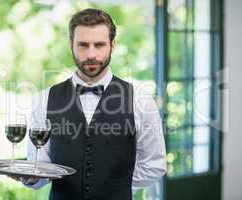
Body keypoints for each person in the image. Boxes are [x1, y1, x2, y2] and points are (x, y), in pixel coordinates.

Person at [11, 8, 166, 200]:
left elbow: (155, 165)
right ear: (71, 45)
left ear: (112, 45)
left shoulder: (141, 101)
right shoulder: (43, 100)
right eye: (83, 45)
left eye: (99, 45)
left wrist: (116, 186)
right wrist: (31, 178)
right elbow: (39, 165)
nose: (91, 54)